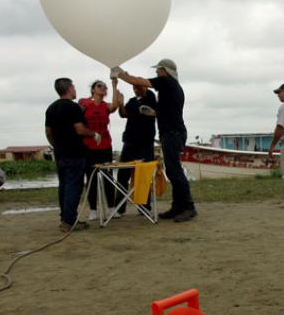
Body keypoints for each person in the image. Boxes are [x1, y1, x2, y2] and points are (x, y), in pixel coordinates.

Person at [112, 59, 197, 222]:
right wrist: (153, 112)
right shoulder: (172, 88)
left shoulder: (167, 82)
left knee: (175, 171)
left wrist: (119, 72)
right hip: (170, 132)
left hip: (173, 133)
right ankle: (177, 207)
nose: (157, 72)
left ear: (166, 70)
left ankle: (188, 207)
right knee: (172, 171)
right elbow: (166, 111)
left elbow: (137, 81)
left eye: (159, 70)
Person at [45, 78, 101, 233]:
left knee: (63, 186)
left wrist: (56, 145)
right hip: (75, 152)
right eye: (74, 87)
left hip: (60, 153)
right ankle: (69, 221)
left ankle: (65, 218)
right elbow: (80, 129)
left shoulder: (51, 108)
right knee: (73, 187)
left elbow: (48, 132)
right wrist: (94, 134)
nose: (75, 89)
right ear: (69, 89)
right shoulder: (73, 107)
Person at [80, 79, 122, 220]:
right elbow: (77, 115)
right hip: (88, 146)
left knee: (108, 178)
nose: (103, 88)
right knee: (91, 178)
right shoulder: (84, 102)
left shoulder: (106, 106)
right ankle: (93, 210)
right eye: (99, 86)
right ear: (93, 89)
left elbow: (115, 105)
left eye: (105, 87)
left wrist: (114, 85)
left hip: (105, 146)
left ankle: (111, 208)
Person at [115, 77, 157, 214]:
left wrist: (135, 82)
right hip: (129, 143)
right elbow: (123, 114)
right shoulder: (132, 102)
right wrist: (120, 104)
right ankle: (119, 207)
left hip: (145, 144)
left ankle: (144, 207)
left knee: (144, 176)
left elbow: (145, 91)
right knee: (122, 175)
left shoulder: (150, 97)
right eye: (134, 88)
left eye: (138, 87)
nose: (136, 90)